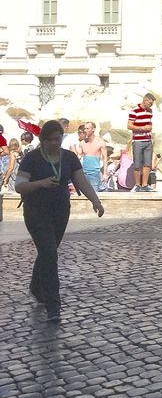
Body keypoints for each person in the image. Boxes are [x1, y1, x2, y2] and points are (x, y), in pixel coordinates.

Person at [16, 120, 104, 322]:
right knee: (49, 254)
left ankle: (35, 287)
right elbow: (20, 186)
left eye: (58, 139)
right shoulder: (32, 158)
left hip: (60, 211)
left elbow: (80, 180)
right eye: (51, 140)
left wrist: (95, 200)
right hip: (36, 212)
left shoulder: (69, 158)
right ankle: (53, 305)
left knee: (48, 252)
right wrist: (41, 183)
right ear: (43, 140)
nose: (55, 143)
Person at [128, 93, 154, 191]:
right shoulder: (134, 111)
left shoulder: (150, 111)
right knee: (137, 163)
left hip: (148, 140)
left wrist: (151, 137)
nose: (151, 105)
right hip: (138, 140)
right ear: (145, 100)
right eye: (150, 103)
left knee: (147, 163)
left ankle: (144, 185)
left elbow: (150, 123)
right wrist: (141, 128)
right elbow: (129, 125)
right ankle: (137, 184)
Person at [79, 121, 107, 193]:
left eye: (88, 128)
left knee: (94, 195)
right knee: (82, 195)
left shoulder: (100, 142)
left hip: (94, 173)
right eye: (85, 129)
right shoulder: (82, 143)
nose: (85, 130)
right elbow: (78, 157)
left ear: (93, 129)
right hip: (83, 173)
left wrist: (105, 173)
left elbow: (105, 158)